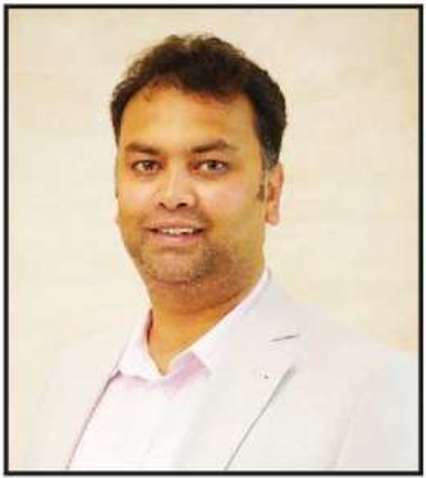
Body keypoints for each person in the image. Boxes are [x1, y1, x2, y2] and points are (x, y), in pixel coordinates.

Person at [27, 34, 418, 471]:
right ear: (118, 187)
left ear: (271, 192)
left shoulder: (377, 389)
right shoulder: (72, 377)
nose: (173, 195)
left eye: (210, 165)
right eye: (147, 165)